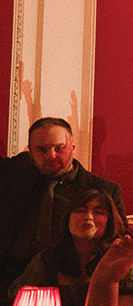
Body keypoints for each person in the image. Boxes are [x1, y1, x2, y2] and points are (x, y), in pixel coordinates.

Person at [0, 117, 126, 292]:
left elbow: (119, 244)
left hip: (72, 280)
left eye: (59, 148)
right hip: (8, 278)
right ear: (30, 152)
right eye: (41, 150)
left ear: (73, 147)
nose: (51, 155)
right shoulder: (15, 176)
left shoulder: (103, 190)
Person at [8, 189, 133, 306]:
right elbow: (20, 297)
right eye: (80, 210)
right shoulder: (47, 258)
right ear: (68, 219)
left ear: (109, 222)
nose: (88, 216)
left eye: (98, 212)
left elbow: (129, 299)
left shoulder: (124, 254)